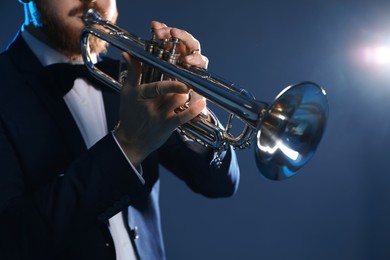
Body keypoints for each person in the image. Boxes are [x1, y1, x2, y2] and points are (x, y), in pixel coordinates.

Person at [0, 0, 240, 259]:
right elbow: (12, 241)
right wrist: (128, 146)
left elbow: (218, 185)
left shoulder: (133, 80)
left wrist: (192, 105)